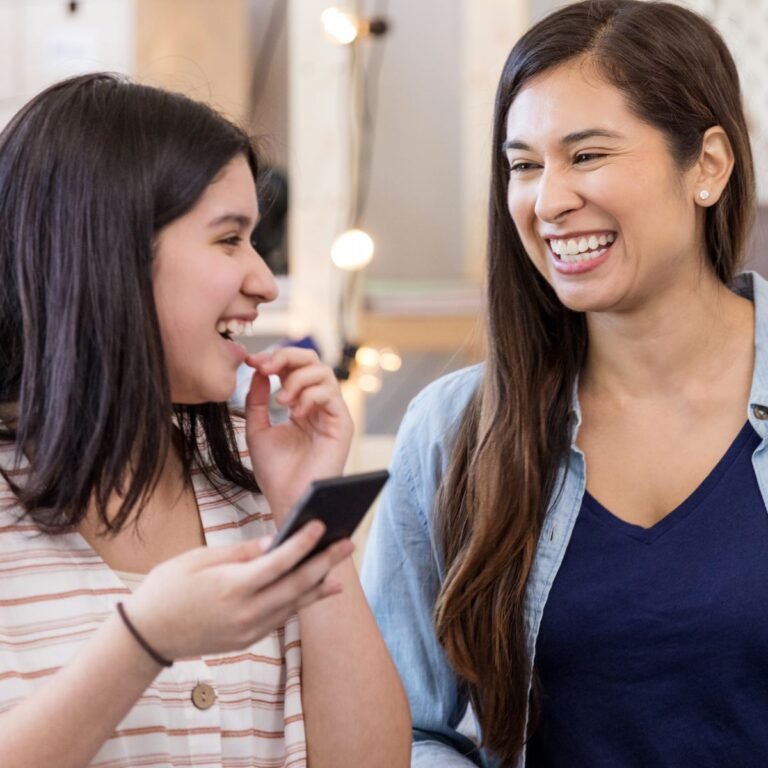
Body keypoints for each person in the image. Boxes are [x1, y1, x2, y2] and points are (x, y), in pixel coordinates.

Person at [361, 1, 761, 766]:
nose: (548, 202)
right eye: (523, 165)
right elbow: (409, 730)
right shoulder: (453, 432)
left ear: (706, 165)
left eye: (586, 156)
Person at [0, 73, 410, 768]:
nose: (264, 281)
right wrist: (143, 640)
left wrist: (304, 518)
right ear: (110, 250)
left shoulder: (244, 489)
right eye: (229, 240)